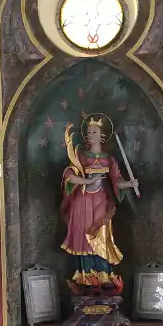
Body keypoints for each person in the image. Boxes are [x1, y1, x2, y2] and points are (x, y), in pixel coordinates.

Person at [60, 116, 138, 290]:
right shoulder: (81, 156)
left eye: (94, 132)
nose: (90, 135)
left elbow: (117, 180)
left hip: (101, 200)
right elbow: (69, 176)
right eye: (88, 132)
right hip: (82, 201)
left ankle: (103, 275)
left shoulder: (108, 159)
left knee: (101, 233)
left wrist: (129, 184)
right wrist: (88, 181)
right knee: (83, 236)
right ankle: (85, 276)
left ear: (102, 135)